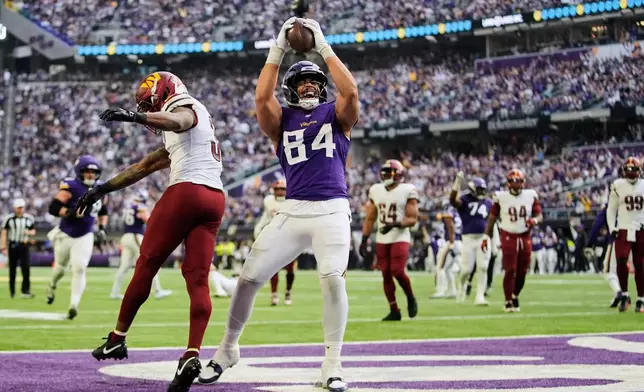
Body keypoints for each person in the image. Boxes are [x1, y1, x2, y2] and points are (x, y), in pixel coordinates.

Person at [198, 17, 359, 392]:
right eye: (302, 81)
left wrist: (322, 46)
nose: (309, 85)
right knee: (248, 278)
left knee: (333, 281)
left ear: (323, 88)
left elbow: (350, 93)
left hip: (332, 209)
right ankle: (227, 349)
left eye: (315, 81)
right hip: (293, 210)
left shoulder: (336, 116)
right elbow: (261, 98)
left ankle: (332, 365)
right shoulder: (281, 120)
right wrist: (278, 48)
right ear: (291, 89)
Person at [79, 71, 226, 392]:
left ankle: (117, 338)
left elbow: (179, 120)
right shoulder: (198, 128)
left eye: (151, 101)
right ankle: (192, 353)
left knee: (146, 264)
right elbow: (143, 167)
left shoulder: (184, 107)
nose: (149, 107)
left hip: (186, 191)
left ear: (164, 92)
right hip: (215, 199)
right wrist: (102, 188)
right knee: (198, 278)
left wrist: (135, 116)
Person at [46, 155, 109, 320]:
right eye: (87, 171)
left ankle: (73, 304)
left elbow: (103, 211)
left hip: (86, 234)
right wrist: (69, 213)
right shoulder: (71, 186)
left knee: (79, 268)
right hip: (66, 233)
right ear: (79, 172)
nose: (90, 175)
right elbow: (53, 207)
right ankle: (52, 286)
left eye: (94, 172)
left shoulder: (101, 188)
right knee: (60, 268)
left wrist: (102, 227)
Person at [360, 159, 419, 321]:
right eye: (384, 171)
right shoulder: (376, 190)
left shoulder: (408, 189)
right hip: (382, 238)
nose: (385, 174)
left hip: (400, 236)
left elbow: (412, 218)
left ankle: (410, 297)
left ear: (398, 174)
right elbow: (370, 218)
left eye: (389, 171)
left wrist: (394, 224)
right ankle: (394, 310)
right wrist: (364, 239)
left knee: (397, 271)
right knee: (385, 274)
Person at [482, 169, 542, 312]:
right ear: (508, 183)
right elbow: (492, 218)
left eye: (518, 181)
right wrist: (486, 236)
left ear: (523, 182)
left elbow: (539, 215)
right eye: (513, 181)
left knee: (522, 271)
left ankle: (515, 295)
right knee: (511, 269)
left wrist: (534, 220)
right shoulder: (501, 197)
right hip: (508, 234)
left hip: (524, 235)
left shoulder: (531, 195)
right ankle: (508, 300)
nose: (515, 184)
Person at [110, 190, 172, 300]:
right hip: (135, 236)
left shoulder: (129, 207)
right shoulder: (140, 207)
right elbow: (148, 220)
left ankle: (114, 292)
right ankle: (157, 291)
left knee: (124, 267)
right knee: (149, 262)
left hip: (126, 236)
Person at [606, 156, 644, 313]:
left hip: (641, 227)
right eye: (627, 169)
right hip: (623, 227)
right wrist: (611, 227)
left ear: (639, 170)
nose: (630, 172)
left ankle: (641, 299)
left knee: (640, 264)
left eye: (632, 169)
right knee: (621, 259)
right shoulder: (618, 185)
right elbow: (611, 208)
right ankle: (625, 295)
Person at [449, 173, 492, 305]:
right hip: (468, 238)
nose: (481, 192)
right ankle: (461, 286)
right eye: (479, 189)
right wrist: (456, 183)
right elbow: (452, 200)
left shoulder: (488, 203)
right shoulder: (465, 200)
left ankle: (479, 297)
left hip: (483, 238)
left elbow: (493, 222)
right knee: (466, 269)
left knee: (483, 267)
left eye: (483, 189)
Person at [254, 179, 297, 306]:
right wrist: (257, 232)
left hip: (289, 237)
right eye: (277, 189)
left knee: (290, 269)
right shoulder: (268, 200)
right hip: (274, 237)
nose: (280, 191)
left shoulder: (292, 201)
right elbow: (266, 217)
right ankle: (274, 294)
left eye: (282, 189)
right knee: (273, 268)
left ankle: (288, 291)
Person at [1, 198, 36, 298]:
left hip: (24, 245)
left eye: (21, 207)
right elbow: (4, 232)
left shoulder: (29, 218)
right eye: (18, 208)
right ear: (15, 208)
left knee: (26, 268)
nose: (20, 209)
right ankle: (12, 292)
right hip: (13, 245)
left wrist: (28, 233)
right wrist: (3, 246)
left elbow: (33, 231)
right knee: (12, 269)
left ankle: (25, 291)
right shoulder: (9, 218)